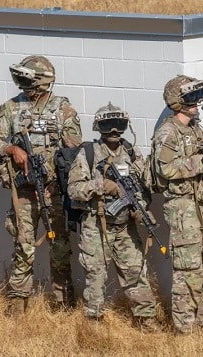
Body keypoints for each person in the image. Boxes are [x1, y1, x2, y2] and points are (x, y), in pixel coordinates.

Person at [0, 55, 82, 315]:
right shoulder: (10, 108)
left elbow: (74, 152)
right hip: (24, 193)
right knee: (23, 247)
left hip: (53, 192)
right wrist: (12, 148)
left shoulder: (63, 109)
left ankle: (64, 306)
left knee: (60, 249)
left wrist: (57, 184)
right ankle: (18, 307)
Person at [67, 102, 162, 332]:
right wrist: (101, 185)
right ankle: (93, 325)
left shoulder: (131, 153)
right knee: (96, 276)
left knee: (135, 272)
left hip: (124, 227)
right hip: (96, 225)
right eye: (108, 125)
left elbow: (143, 186)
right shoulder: (88, 153)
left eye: (119, 125)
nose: (114, 131)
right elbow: (74, 189)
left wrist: (139, 208)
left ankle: (146, 320)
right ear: (99, 126)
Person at [151, 75, 203, 334]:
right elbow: (165, 170)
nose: (197, 104)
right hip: (182, 210)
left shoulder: (195, 129)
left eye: (198, 98)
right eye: (191, 99)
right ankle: (186, 334)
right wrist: (199, 164)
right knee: (187, 274)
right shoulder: (167, 132)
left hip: (200, 207)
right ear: (177, 102)